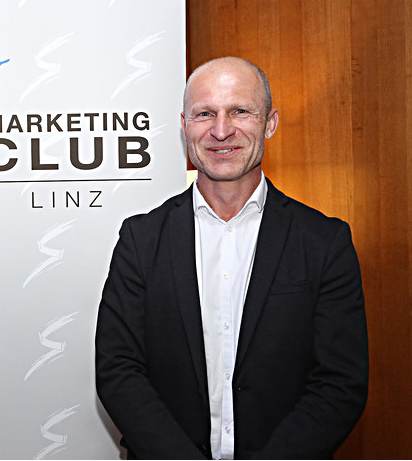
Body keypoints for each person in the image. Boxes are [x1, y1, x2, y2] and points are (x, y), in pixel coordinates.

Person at [95, 56, 368, 459]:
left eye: (240, 111)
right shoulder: (141, 239)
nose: (221, 130)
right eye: (205, 113)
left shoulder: (324, 242)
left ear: (270, 123)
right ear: (185, 125)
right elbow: (118, 370)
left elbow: (340, 382)